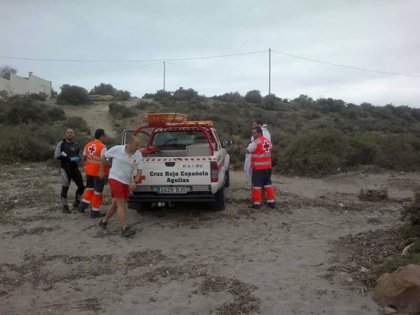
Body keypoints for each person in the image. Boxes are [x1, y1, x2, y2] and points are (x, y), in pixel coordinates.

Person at [98, 134, 143, 237]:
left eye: (138, 145)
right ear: (129, 144)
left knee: (115, 203)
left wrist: (135, 182)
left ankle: (104, 221)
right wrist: (102, 170)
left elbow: (140, 170)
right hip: (115, 178)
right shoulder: (117, 149)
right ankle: (124, 228)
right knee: (121, 204)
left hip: (126, 181)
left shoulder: (138, 154)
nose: (138, 147)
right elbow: (104, 156)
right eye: (136, 145)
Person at [78, 129, 109, 218]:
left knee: (89, 189)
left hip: (89, 171)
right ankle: (95, 211)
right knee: (98, 192)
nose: (106, 137)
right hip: (99, 173)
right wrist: (111, 164)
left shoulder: (88, 145)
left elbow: (84, 157)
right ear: (101, 136)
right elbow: (105, 161)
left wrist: (89, 163)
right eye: (105, 136)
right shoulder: (102, 147)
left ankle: (82, 206)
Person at [54, 128, 85, 213]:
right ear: (65, 134)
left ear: (73, 134)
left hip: (75, 169)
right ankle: (65, 207)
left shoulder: (76, 144)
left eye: (71, 132)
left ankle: (77, 203)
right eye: (68, 133)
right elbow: (56, 155)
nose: (70, 134)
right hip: (65, 169)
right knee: (65, 188)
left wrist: (79, 158)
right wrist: (69, 158)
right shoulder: (61, 144)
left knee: (81, 187)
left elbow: (78, 154)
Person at [246, 126, 276, 209]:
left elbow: (248, 150)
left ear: (259, 133)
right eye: (252, 133)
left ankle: (256, 203)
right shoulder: (267, 141)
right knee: (268, 184)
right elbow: (270, 147)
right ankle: (271, 202)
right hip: (268, 167)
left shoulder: (256, 142)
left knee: (257, 186)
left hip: (258, 168)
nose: (253, 134)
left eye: (254, 133)